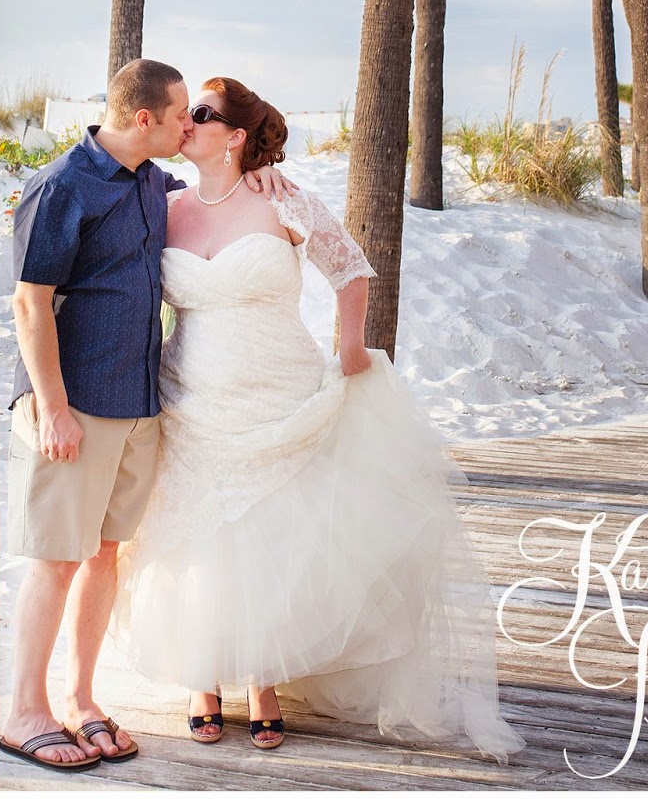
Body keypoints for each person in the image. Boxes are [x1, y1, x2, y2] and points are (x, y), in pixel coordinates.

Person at [111, 76, 526, 764]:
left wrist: (353, 346)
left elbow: (351, 270)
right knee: (195, 534)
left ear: (236, 135)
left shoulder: (284, 200)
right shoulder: (166, 203)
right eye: (186, 114)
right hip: (191, 393)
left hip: (279, 391)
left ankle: (262, 679)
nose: (187, 123)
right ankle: (202, 680)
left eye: (203, 115)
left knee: (269, 535)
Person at [0, 58, 290, 772]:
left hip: (137, 402)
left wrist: (261, 174)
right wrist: (54, 409)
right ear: (143, 120)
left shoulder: (152, 183)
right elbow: (30, 303)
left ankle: (80, 699)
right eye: (182, 114)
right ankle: (23, 712)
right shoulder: (62, 186)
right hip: (74, 406)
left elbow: (218, 196)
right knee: (56, 558)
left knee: (104, 557)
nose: (189, 124)